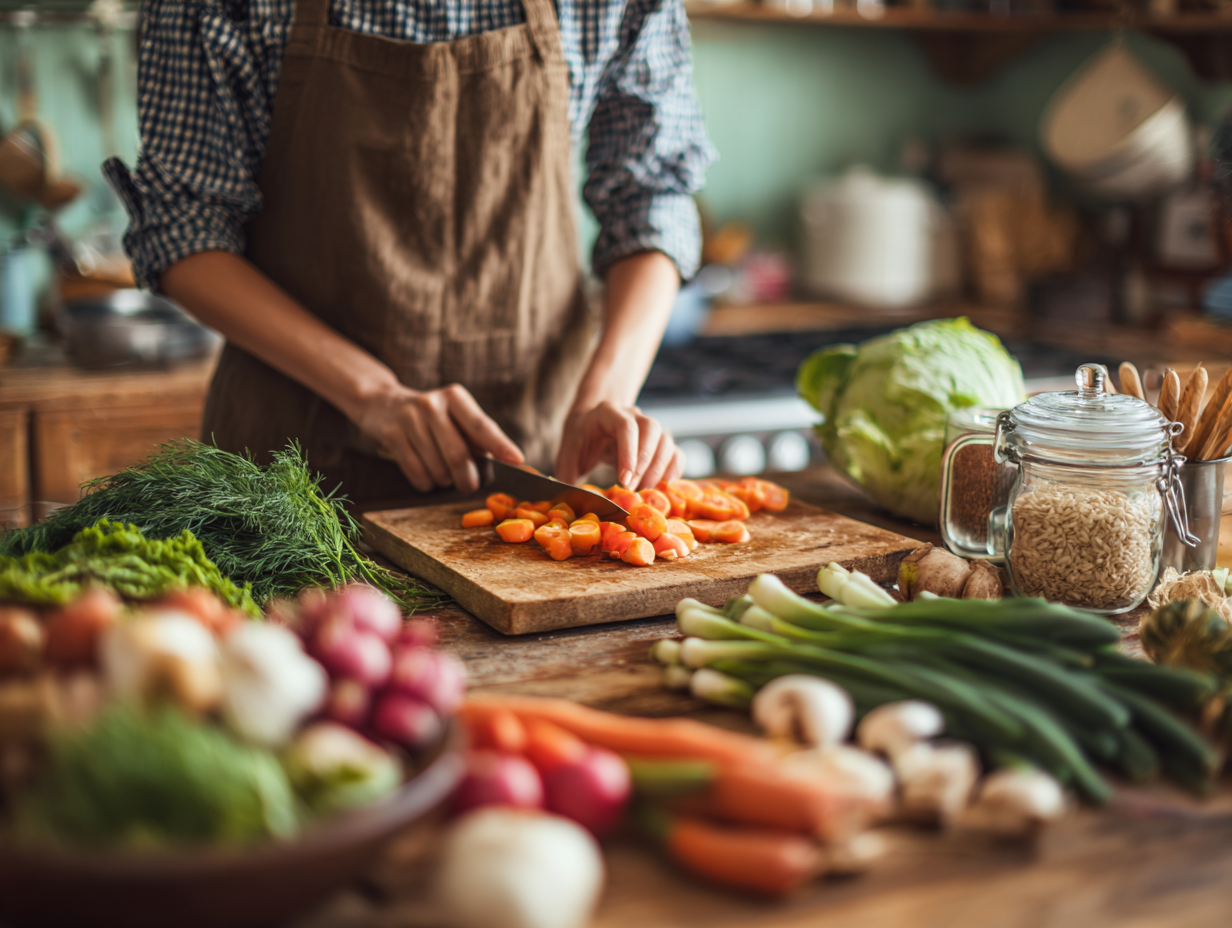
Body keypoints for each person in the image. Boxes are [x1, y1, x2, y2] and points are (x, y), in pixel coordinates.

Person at [104, 0, 714, 504]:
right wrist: (373, 394)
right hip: (288, 484)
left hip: (537, 467)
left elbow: (651, 197)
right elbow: (183, 230)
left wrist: (606, 392)